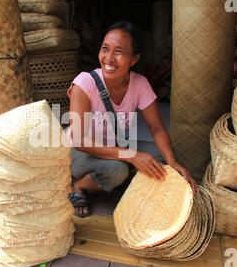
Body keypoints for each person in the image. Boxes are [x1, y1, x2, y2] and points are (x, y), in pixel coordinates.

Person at [67, 21, 197, 217]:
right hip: (80, 153)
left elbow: (157, 129)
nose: (109, 58)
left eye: (118, 52)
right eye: (105, 49)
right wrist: (132, 156)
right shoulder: (84, 83)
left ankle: (119, 182)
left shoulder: (140, 84)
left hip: (116, 146)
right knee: (117, 170)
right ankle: (81, 185)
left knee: (159, 157)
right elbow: (78, 140)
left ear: (134, 59)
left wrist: (172, 162)